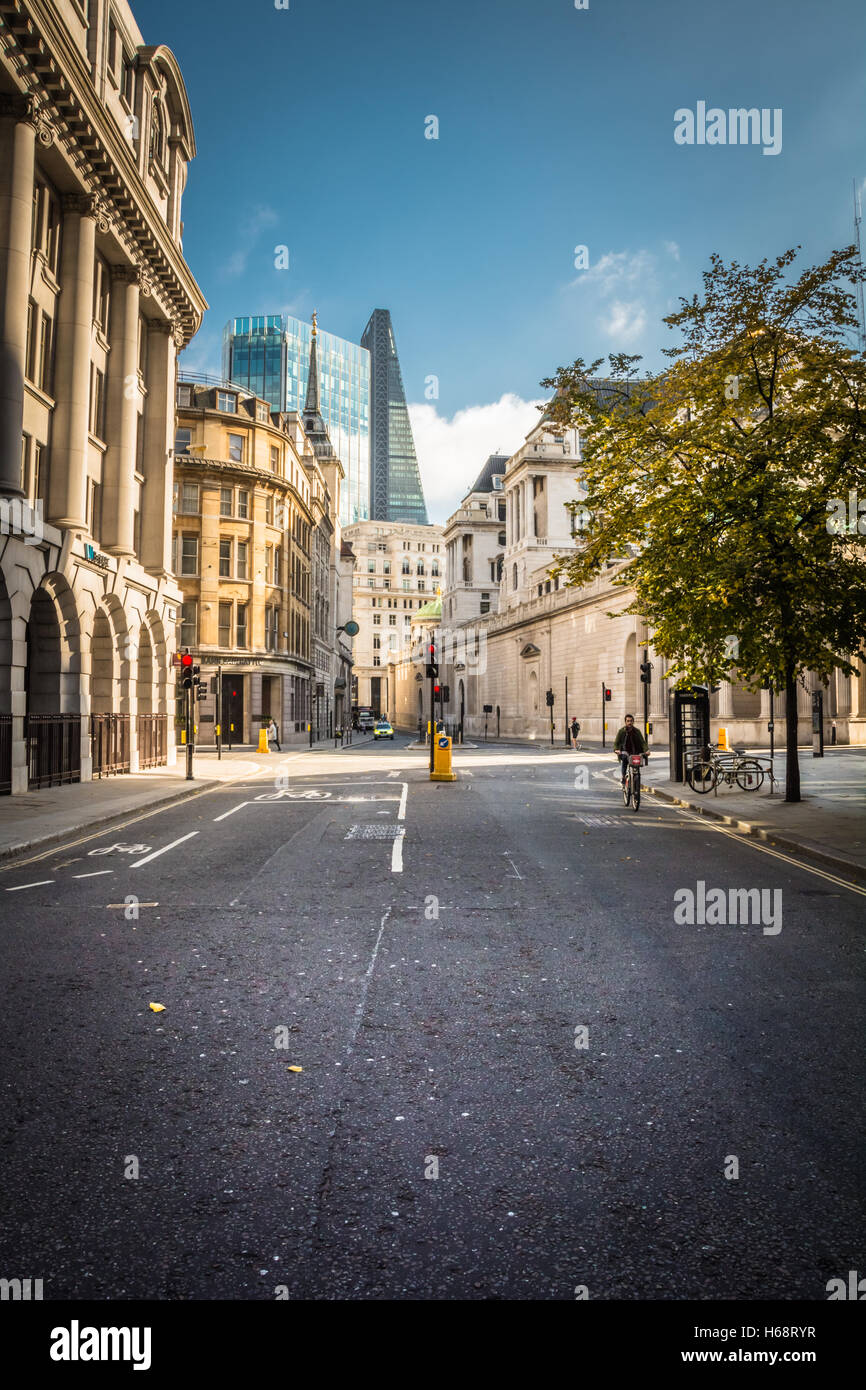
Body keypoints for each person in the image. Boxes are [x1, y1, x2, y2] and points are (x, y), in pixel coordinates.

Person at [614, 713, 647, 783]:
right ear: (625, 722)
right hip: (625, 752)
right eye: (628, 721)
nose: (629, 722)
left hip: (635, 753)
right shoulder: (621, 731)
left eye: (631, 721)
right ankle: (623, 776)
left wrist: (646, 750)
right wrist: (616, 750)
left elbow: (643, 742)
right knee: (624, 762)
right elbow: (616, 743)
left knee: (637, 767)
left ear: (633, 722)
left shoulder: (637, 731)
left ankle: (636, 780)